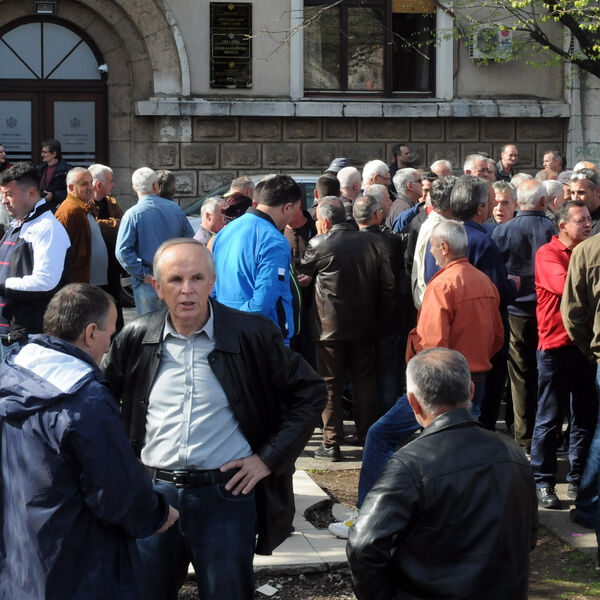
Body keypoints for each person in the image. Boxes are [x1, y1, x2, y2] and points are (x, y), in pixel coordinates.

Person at [103, 238, 325, 599]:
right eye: (175, 280)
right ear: (157, 287)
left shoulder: (250, 334)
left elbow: (311, 392)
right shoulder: (136, 336)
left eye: (197, 278)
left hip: (225, 497)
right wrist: (123, 471)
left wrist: (269, 458)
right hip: (154, 495)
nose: (187, 290)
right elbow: (101, 402)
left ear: (212, 281)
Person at [0, 283, 178, 600]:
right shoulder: (86, 401)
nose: (109, 345)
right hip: (78, 568)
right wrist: (158, 514)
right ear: (91, 333)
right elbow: (116, 493)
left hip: (20, 563)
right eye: (110, 334)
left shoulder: (10, 374)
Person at [347, 348, 537, 600]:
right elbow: (528, 534)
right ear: (471, 391)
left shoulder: (409, 463)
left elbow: (363, 545)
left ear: (413, 402)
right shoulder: (513, 453)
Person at [299, 197, 395, 459]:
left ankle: (331, 442)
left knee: (330, 383)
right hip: (364, 325)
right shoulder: (373, 242)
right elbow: (388, 286)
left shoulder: (320, 243)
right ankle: (366, 435)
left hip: (328, 327)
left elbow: (302, 269)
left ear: (325, 221)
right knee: (365, 381)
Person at [532, 201, 597, 509]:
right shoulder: (548, 254)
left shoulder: (589, 253)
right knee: (550, 418)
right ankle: (543, 481)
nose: (587, 224)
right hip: (556, 348)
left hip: (585, 347)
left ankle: (577, 478)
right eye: (580, 220)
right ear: (563, 226)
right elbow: (568, 287)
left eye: (589, 219)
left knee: (585, 417)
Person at [408, 220, 504, 419]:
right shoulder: (485, 282)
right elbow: (497, 335)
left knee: (380, 432)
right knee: (467, 431)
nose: (431, 252)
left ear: (444, 248)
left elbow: (433, 344)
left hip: (444, 382)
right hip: (477, 376)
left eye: (432, 246)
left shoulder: (442, 286)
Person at [492, 180, 557, 450]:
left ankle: (525, 435)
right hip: (548, 310)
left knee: (520, 375)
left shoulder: (503, 231)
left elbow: (496, 273)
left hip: (516, 311)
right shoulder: (553, 229)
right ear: (543, 202)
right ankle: (546, 433)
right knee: (547, 373)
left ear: (518, 202)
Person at [212, 174, 301, 345]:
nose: (292, 219)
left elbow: (213, 287)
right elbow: (263, 300)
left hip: (226, 332)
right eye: (294, 210)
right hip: (262, 338)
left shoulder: (224, 232)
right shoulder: (274, 241)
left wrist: (224, 323)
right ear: (287, 207)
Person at [0, 163, 71, 359]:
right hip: (9, 334)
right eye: (2, 194)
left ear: (31, 193)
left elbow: (46, 281)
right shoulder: (18, 224)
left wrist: (3, 286)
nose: (4, 201)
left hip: (28, 337)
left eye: (8, 194)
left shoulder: (47, 228)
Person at [116, 167, 194, 315]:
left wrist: (142, 274)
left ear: (134, 188)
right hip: (173, 276)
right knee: (174, 323)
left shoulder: (132, 215)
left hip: (147, 280)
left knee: (149, 325)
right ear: (156, 186)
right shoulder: (175, 209)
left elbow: (122, 251)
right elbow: (190, 242)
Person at [55, 167, 107, 286]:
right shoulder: (69, 211)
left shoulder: (83, 207)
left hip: (88, 283)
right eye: (84, 184)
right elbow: (60, 252)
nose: (90, 187)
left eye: (91, 182)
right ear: (71, 188)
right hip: (78, 285)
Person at [88, 163, 125, 330]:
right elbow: (93, 227)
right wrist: (113, 224)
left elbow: (123, 224)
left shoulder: (111, 202)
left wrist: (106, 225)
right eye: (110, 181)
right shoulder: (87, 203)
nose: (113, 185)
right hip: (94, 265)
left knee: (114, 300)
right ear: (98, 185)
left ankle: (118, 336)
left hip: (112, 263)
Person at [36, 139, 72, 211]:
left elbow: (71, 191)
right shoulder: (40, 169)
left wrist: (53, 196)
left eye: (44, 152)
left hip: (58, 209)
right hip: (41, 208)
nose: (42, 155)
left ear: (54, 154)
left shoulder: (66, 170)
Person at [570, 168, 600, 233]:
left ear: (598, 191)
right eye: (572, 193)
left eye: (581, 192)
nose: (575, 198)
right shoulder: (567, 219)